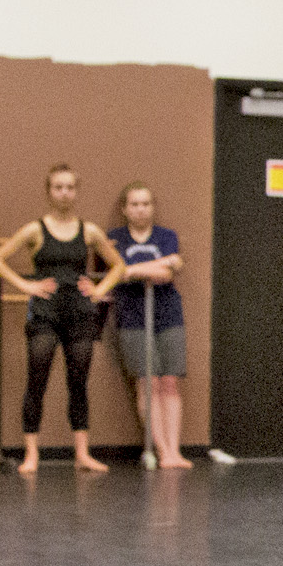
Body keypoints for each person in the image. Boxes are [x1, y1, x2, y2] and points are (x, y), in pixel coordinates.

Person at [0, 164, 125, 476]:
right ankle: (32, 453)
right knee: (37, 379)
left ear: (76, 191)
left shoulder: (88, 231)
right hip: (45, 313)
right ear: (49, 192)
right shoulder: (35, 230)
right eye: (58, 187)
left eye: (69, 187)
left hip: (79, 313)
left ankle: (82, 453)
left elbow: (118, 266)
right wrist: (26, 286)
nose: (64, 192)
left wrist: (99, 289)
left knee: (78, 382)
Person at [107, 183, 190, 469]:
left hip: (167, 313)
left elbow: (165, 275)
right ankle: (162, 450)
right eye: (134, 204)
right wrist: (153, 266)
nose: (140, 209)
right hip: (132, 316)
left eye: (145, 204)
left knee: (169, 381)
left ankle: (176, 450)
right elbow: (113, 275)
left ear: (152, 207)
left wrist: (129, 270)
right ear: (124, 209)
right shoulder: (113, 239)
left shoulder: (167, 236)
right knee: (148, 381)